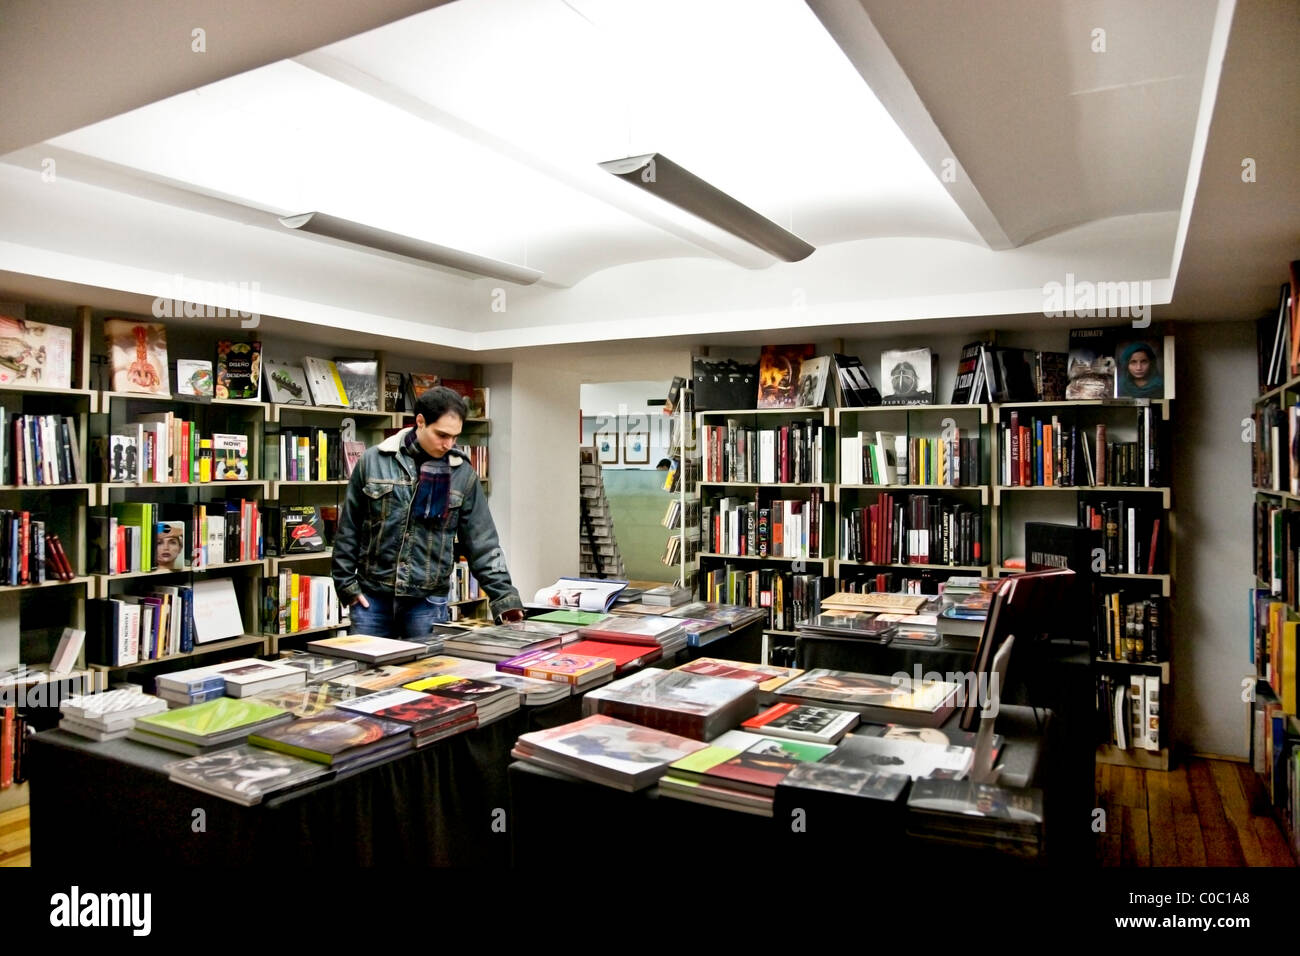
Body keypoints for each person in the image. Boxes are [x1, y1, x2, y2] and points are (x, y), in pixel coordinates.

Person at [332, 386, 523, 639]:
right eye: (442, 435)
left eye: (455, 437)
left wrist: (505, 598)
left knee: (426, 675)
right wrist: (346, 586)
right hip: (372, 599)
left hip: (427, 602)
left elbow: (482, 543)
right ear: (420, 422)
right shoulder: (372, 461)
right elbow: (348, 530)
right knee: (365, 675)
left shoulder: (462, 474)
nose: (449, 444)